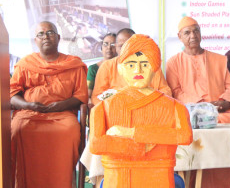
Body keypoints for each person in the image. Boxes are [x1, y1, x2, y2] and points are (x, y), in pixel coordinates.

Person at [89, 34, 193, 188]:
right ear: (121, 69)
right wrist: (141, 147)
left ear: (155, 67)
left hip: (159, 179)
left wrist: (131, 133)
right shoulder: (102, 109)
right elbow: (97, 145)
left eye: (145, 64)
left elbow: (185, 136)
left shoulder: (176, 108)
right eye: (131, 65)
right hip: (118, 180)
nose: (138, 70)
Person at [166, 16, 230, 188]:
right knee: (195, 125)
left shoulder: (220, 59)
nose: (193, 35)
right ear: (180, 36)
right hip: (192, 112)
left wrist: (224, 103)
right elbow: (176, 93)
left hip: (223, 111)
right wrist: (202, 106)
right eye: (187, 32)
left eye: (196, 30)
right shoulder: (173, 62)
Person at [10, 21, 88, 188]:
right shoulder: (25, 64)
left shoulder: (73, 64)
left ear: (58, 37)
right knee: (18, 128)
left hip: (62, 115)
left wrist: (59, 106)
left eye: (50, 33)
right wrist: (28, 105)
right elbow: (12, 94)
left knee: (70, 129)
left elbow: (80, 96)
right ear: (35, 40)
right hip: (29, 113)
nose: (45, 36)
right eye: (41, 34)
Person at [91, 28, 171, 105]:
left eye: (130, 46)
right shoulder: (107, 66)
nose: (125, 50)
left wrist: (149, 102)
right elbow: (96, 97)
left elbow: (165, 91)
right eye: (121, 46)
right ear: (115, 47)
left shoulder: (150, 64)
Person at [87, 33, 117, 100]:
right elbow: (89, 94)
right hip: (99, 102)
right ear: (101, 48)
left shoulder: (122, 67)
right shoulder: (93, 69)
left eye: (113, 45)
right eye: (105, 44)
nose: (109, 47)